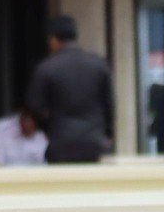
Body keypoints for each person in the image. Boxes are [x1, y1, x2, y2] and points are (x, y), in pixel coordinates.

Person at [21, 16, 114, 163]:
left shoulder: (46, 68)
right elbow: (109, 105)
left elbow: (34, 107)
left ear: (53, 39)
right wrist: (107, 134)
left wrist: (47, 129)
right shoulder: (99, 65)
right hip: (94, 144)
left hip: (60, 144)